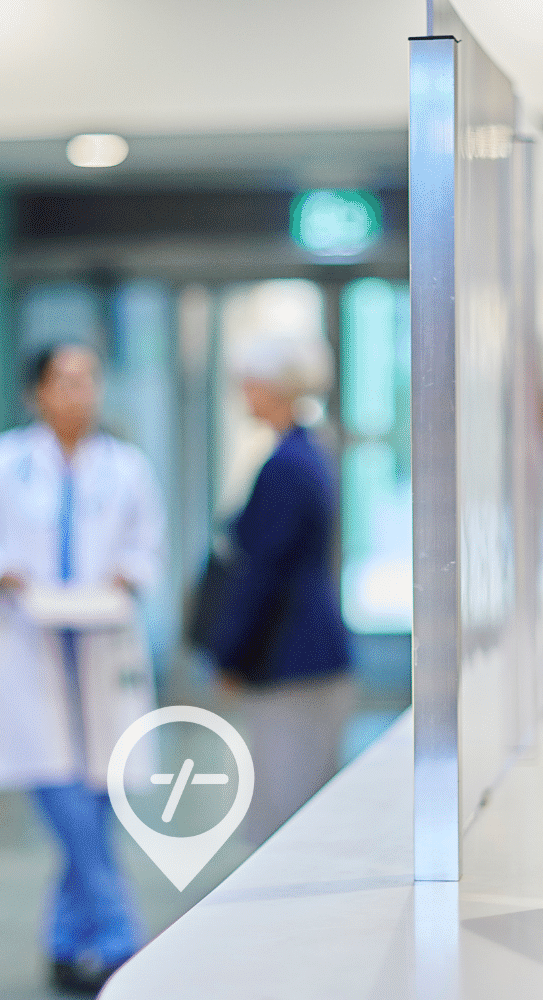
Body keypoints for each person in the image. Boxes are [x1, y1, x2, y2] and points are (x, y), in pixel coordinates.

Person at [0, 343, 164, 996]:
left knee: (97, 799)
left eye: (89, 379)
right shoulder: (8, 464)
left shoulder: (127, 468)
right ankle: (122, 939)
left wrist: (128, 572)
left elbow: (147, 546)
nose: (79, 392)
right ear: (36, 393)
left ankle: (66, 943)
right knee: (68, 803)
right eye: (64, 381)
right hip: (30, 647)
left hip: (102, 647)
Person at [209, 334, 353, 846]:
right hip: (305, 654)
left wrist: (230, 655)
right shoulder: (307, 454)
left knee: (288, 810)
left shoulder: (286, 467)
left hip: (289, 659)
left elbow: (263, 574)